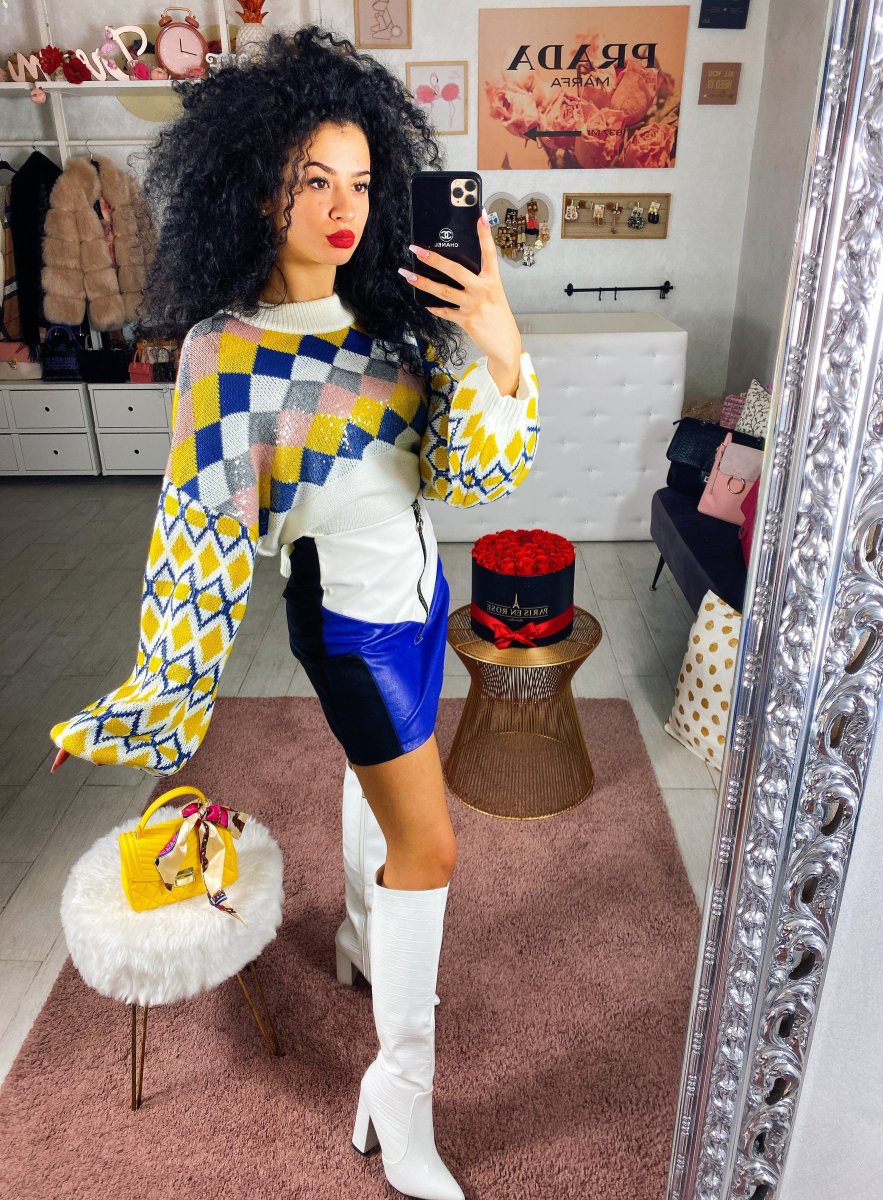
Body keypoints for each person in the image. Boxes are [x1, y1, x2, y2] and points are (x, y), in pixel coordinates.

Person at [48, 26, 539, 1200]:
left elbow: (472, 475)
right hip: (349, 631)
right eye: (313, 179)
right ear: (254, 187)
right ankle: (399, 1097)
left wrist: (498, 345)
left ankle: (363, 935)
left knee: (385, 791)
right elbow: (196, 541)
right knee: (432, 843)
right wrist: (152, 694)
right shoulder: (225, 356)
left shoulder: (395, 320)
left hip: (420, 597)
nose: (343, 207)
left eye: (362, 182)